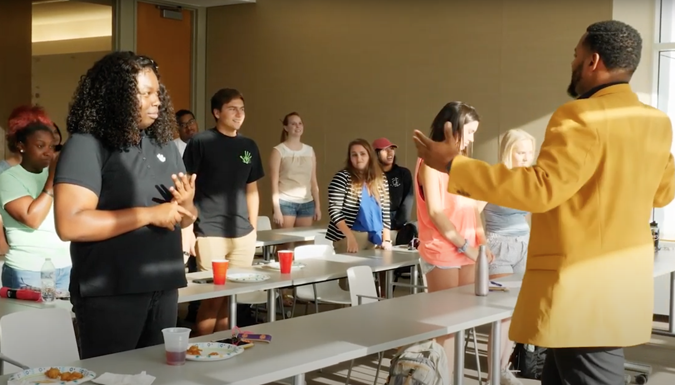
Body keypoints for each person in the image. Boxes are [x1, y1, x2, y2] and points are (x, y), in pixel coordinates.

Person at [413, 20, 675, 384]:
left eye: (575, 55)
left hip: (580, 289)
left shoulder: (579, 116)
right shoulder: (657, 123)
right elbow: (662, 192)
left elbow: (540, 189)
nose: (572, 63)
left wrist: (454, 165)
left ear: (593, 61)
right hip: (623, 284)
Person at [54, 51, 197, 359]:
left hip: (163, 283)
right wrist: (149, 215)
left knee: (161, 377)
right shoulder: (87, 144)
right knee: (112, 377)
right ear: (115, 96)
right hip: (111, 291)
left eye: (157, 93)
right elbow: (70, 223)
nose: (156, 101)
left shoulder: (165, 145)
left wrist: (187, 207)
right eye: (145, 93)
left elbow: (183, 219)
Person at [414, 102, 491, 376]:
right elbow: (436, 213)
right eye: (469, 132)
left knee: (461, 326)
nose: (471, 139)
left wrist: (481, 243)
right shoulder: (430, 164)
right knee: (445, 329)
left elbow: (471, 210)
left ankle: (453, 378)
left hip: (467, 251)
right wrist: (467, 247)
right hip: (442, 252)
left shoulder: (461, 164)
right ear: (452, 128)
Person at [183, 88, 264, 336]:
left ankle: (222, 350)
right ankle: (200, 349)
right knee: (213, 297)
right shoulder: (201, 142)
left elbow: (252, 191)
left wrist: (252, 229)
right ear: (217, 112)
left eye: (242, 108)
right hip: (210, 231)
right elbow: (186, 187)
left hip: (243, 233)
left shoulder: (248, 145)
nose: (239, 114)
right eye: (232, 108)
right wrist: (188, 230)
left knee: (231, 298)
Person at [482, 128, 536, 385]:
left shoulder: (528, 178)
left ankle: (504, 369)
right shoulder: (495, 177)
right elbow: (473, 211)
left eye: (529, 153)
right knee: (501, 315)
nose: (526, 158)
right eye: (520, 153)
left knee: (517, 314)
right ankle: (494, 373)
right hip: (499, 246)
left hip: (523, 244)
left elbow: (527, 214)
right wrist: (482, 243)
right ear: (508, 152)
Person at [0, 122, 71, 290]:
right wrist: (52, 178)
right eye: (40, 146)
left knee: (61, 317)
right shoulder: (8, 178)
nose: (48, 152)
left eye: (52, 146)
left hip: (65, 266)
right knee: (30, 317)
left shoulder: (56, 175)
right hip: (28, 270)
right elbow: (32, 218)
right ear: (21, 146)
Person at [326, 139, 392, 253]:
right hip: (349, 236)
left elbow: (385, 211)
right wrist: (349, 237)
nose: (359, 158)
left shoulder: (381, 179)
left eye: (362, 154)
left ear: (370, 156)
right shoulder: (342, 177)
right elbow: (334, 211)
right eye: (354, 155)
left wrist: (387, 240)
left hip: (375, 237)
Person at [270, 112, 321, 229]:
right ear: (286, 127)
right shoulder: (278, 151)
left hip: (307, 203)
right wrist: (276, 209)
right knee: (284, 242)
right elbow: (274, 182)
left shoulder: (309, 150)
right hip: (285, 202)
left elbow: (313, 181)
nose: (297, 126)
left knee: (304, 243)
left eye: (300, 123)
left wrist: (317, 206)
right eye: (293, 124)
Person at [372, 137, 413, 234]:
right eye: (385, 150)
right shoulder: (370, 176)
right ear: (376, 154)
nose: (390, 153)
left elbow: (407, 202)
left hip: (398, 224)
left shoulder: (403, 173)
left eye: (392, 149)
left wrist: (397, 224)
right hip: (375, 224)